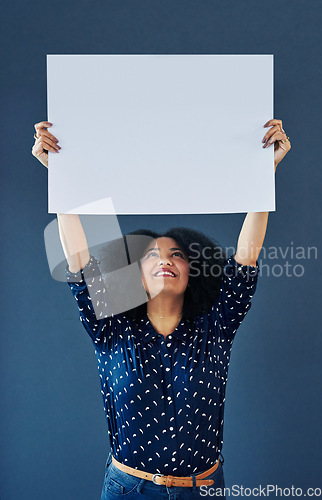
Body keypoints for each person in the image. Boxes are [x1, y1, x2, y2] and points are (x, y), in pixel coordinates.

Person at [32, 119, 291, 499]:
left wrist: (262, 172)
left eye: (176, 254)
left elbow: (246, 258)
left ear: (194, 271)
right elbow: (80, 261)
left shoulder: (217, 327)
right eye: (151, 255)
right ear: (135, 274)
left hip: (202, 489)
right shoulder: (111, 327)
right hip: (127, 489)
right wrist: (61, 175)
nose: (164, 260)